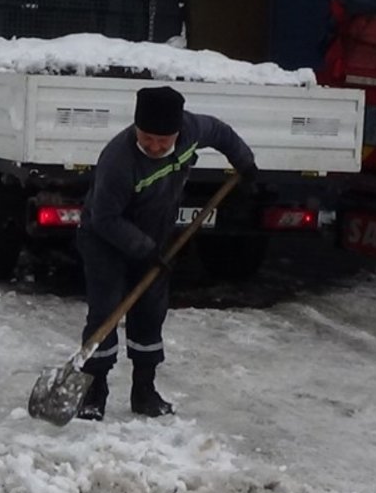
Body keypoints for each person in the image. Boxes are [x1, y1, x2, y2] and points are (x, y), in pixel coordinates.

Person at [76, 85, 257, 421]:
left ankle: (144, 391)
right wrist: (144, 249)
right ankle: (94, 391)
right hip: (105, 239)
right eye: (147, 138)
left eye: (163, 140)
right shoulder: (119, 159)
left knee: (150, 312)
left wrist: (244, 161)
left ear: (177, 131)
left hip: (154, 237)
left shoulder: (192, 130)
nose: (155, 146)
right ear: (136, 129)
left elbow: (221, 132)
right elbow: (104, 218)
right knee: (106, 310)